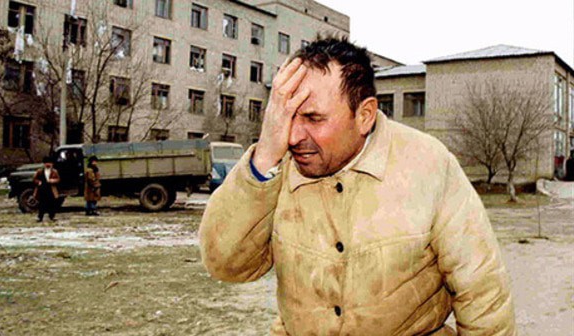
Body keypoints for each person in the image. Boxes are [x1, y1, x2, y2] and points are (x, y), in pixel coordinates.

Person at [199, 36, 515, 335]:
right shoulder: (277, 168)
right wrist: (265, 154)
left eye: (313, 117)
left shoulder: (429, 164)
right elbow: (225, 264)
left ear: (364, 115)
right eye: (288, 116)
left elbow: (482, 295)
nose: (293, 136)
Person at [33, 156, 60, 222]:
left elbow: (58, 179)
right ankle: (40, 217)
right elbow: (34, 179)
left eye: (49, 163)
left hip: (51, 189)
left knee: (52, 203)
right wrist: (39, 182)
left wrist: (52, 180)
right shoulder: (40, 171)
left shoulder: (54, 171)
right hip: (42, 189)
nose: (48, 164)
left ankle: (52, 216)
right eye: (46, 163)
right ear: (44, 164)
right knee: (42, 204)